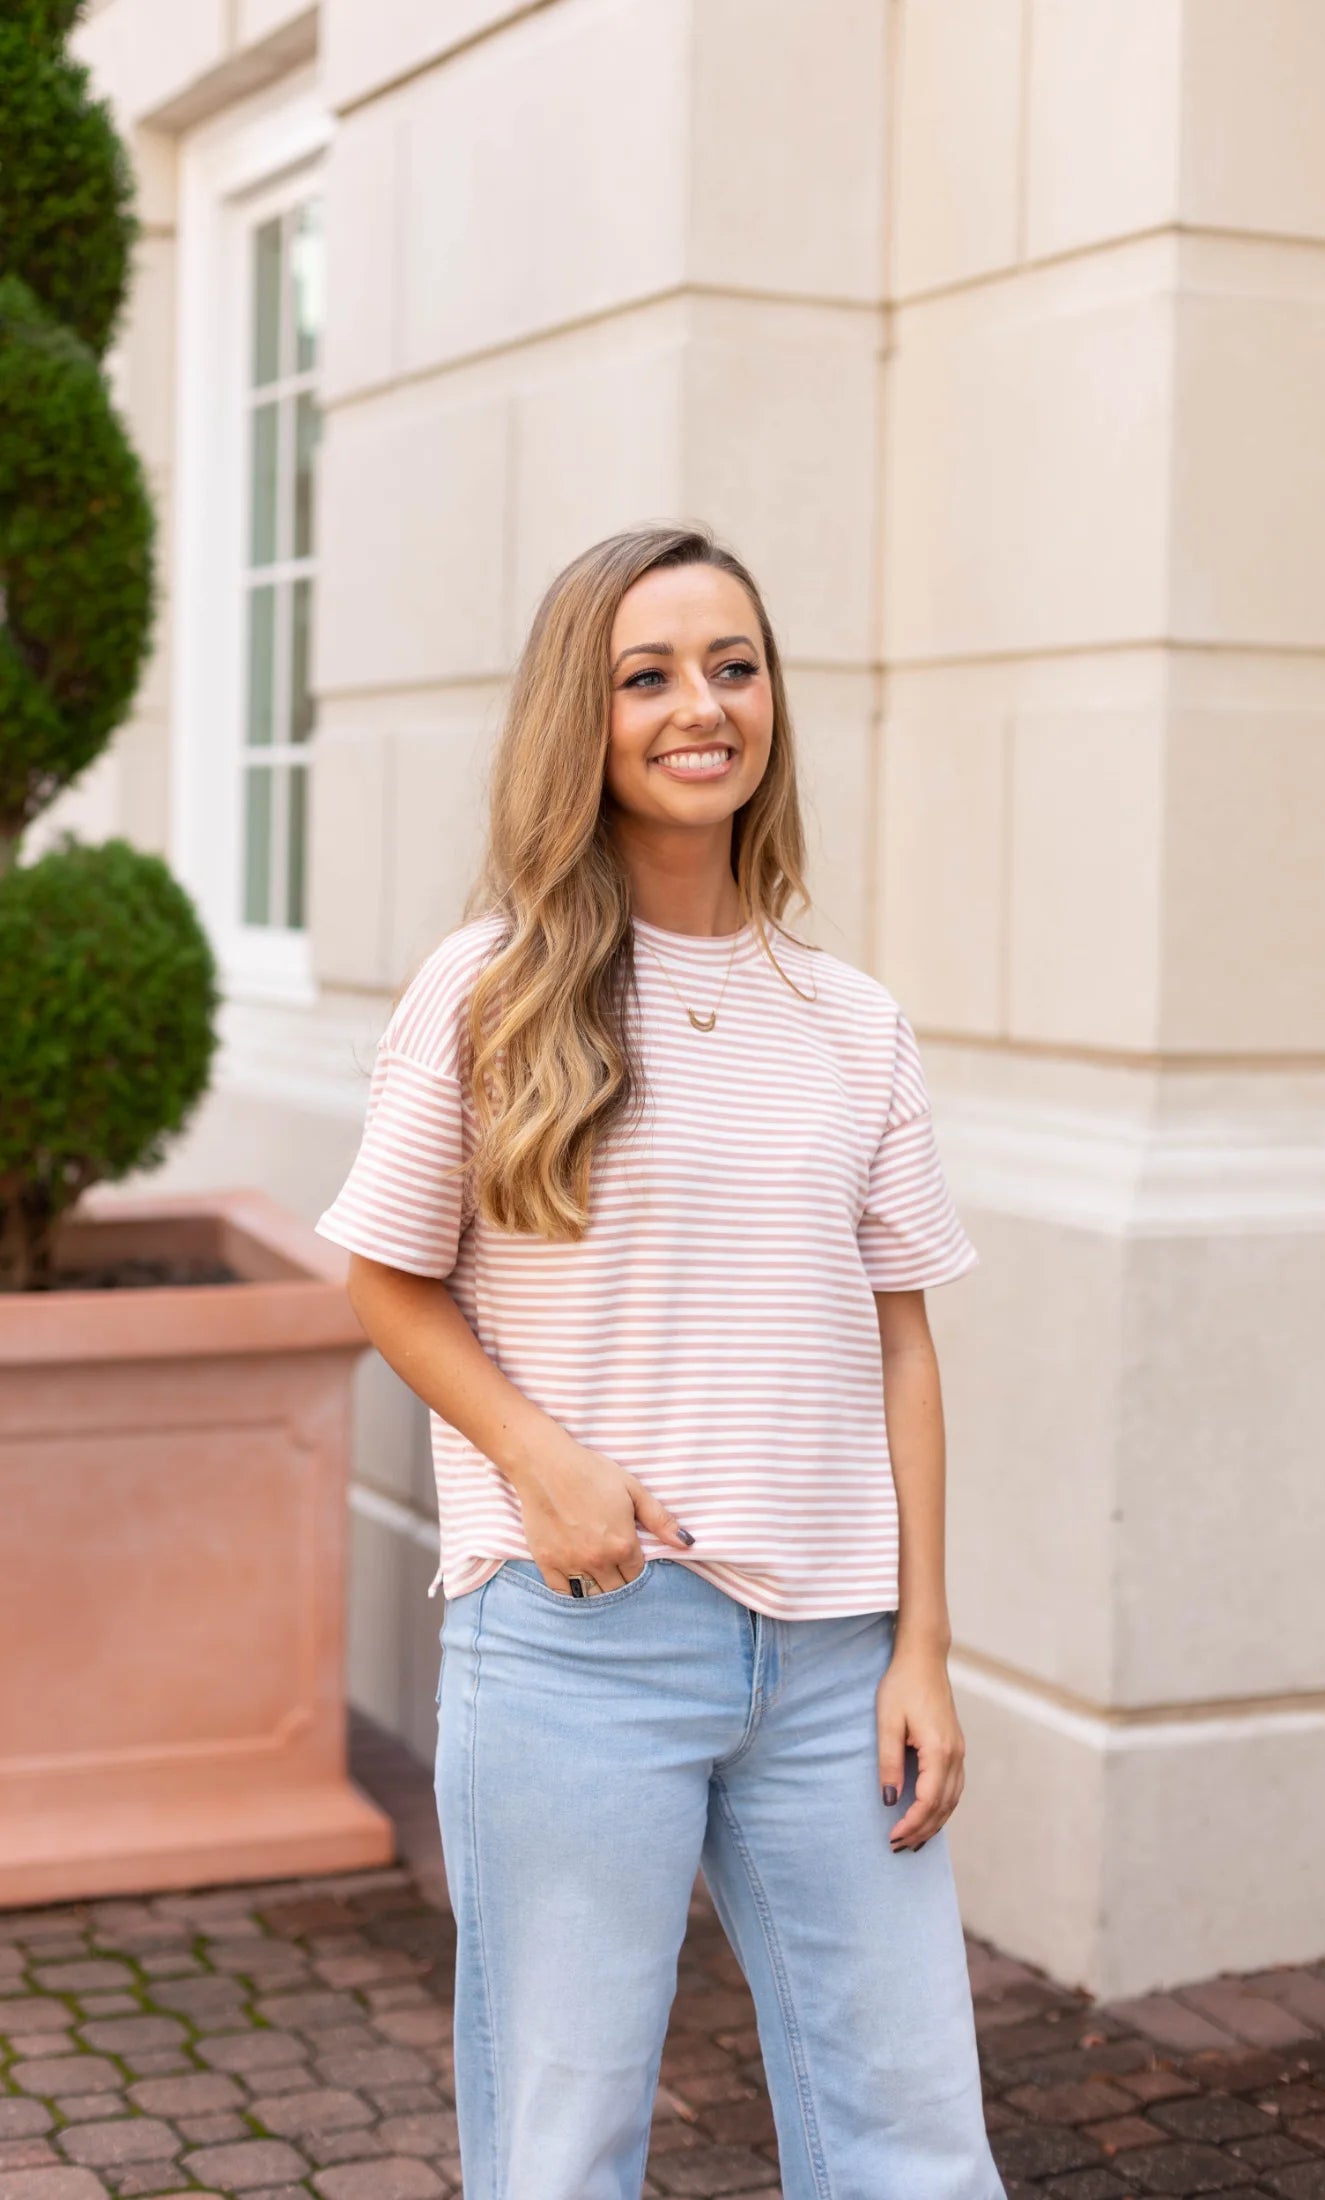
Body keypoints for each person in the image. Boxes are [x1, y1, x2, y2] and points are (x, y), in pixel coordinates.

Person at [315, 523, 1006, 2200]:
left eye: (732, 666)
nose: (701, 706)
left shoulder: (852, 1018)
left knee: (914, 2140)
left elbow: (898, 1340)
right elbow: (387, 1282)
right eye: (648, 675)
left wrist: (921, 1645)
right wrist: (540, 1464)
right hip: (574, 1646)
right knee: (562, 2153)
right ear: (586, 717)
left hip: (836, 1666)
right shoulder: (490, 988)